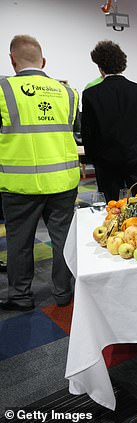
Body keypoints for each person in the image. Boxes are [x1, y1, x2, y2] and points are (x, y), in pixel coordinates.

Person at [0, 35, 79, 311]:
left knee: (19, 243)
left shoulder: (3, 89)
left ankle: (21, 295)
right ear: (43, 61)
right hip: (63, 180)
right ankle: (63, 292)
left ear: (12, 60)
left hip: (20, 184)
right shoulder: (68, 92)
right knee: (62, 241)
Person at [81, 40, 137, 202]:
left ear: (99, 66)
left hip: (106, 163)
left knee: (111, 210)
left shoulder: (91, 94)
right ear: (122, 63)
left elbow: (88, 132)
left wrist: (92, 160)